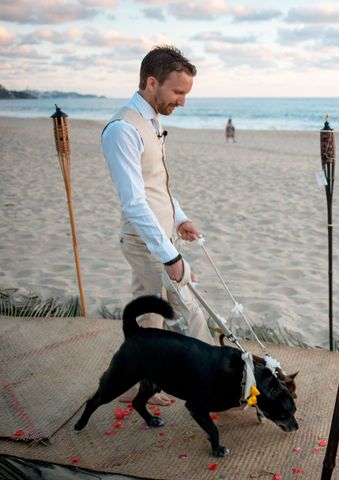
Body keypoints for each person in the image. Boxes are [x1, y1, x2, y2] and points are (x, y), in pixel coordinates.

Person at [102, 45, 214, 405]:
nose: (183, 101)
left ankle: (140, 383)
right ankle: (212, 379)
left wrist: (180, 218)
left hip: (161, 237)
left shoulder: (152, 121)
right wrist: (170, 256)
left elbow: (156, 186)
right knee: (183, 308)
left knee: (149, 314)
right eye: (178, 92)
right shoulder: (122, 130)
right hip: (144, 241)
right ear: (152, 82)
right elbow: (134, 202)